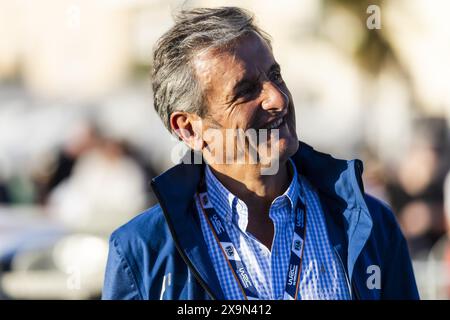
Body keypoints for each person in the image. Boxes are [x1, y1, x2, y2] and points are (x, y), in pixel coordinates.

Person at [102, 7, 419, 300]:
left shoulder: (370, 224)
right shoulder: (141, 253)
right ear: (189, 129)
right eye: (246, 91)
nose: (278, 99)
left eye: (275, 75)